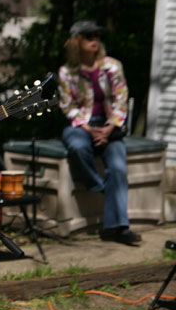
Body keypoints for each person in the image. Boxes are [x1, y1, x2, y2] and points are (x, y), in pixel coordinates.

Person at [58, 20, 140, 245]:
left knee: (118, 167)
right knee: (76, 147)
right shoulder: (67, 72)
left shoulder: (112, 66)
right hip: (81, 125)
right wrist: (88, 129)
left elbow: (122, 99)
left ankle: (118, 228)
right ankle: (98, 186)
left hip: (109, 125)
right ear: (77, 42)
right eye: (88, 36)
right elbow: (68, 106)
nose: (95, 40)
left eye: (96, 35)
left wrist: (110, 127)